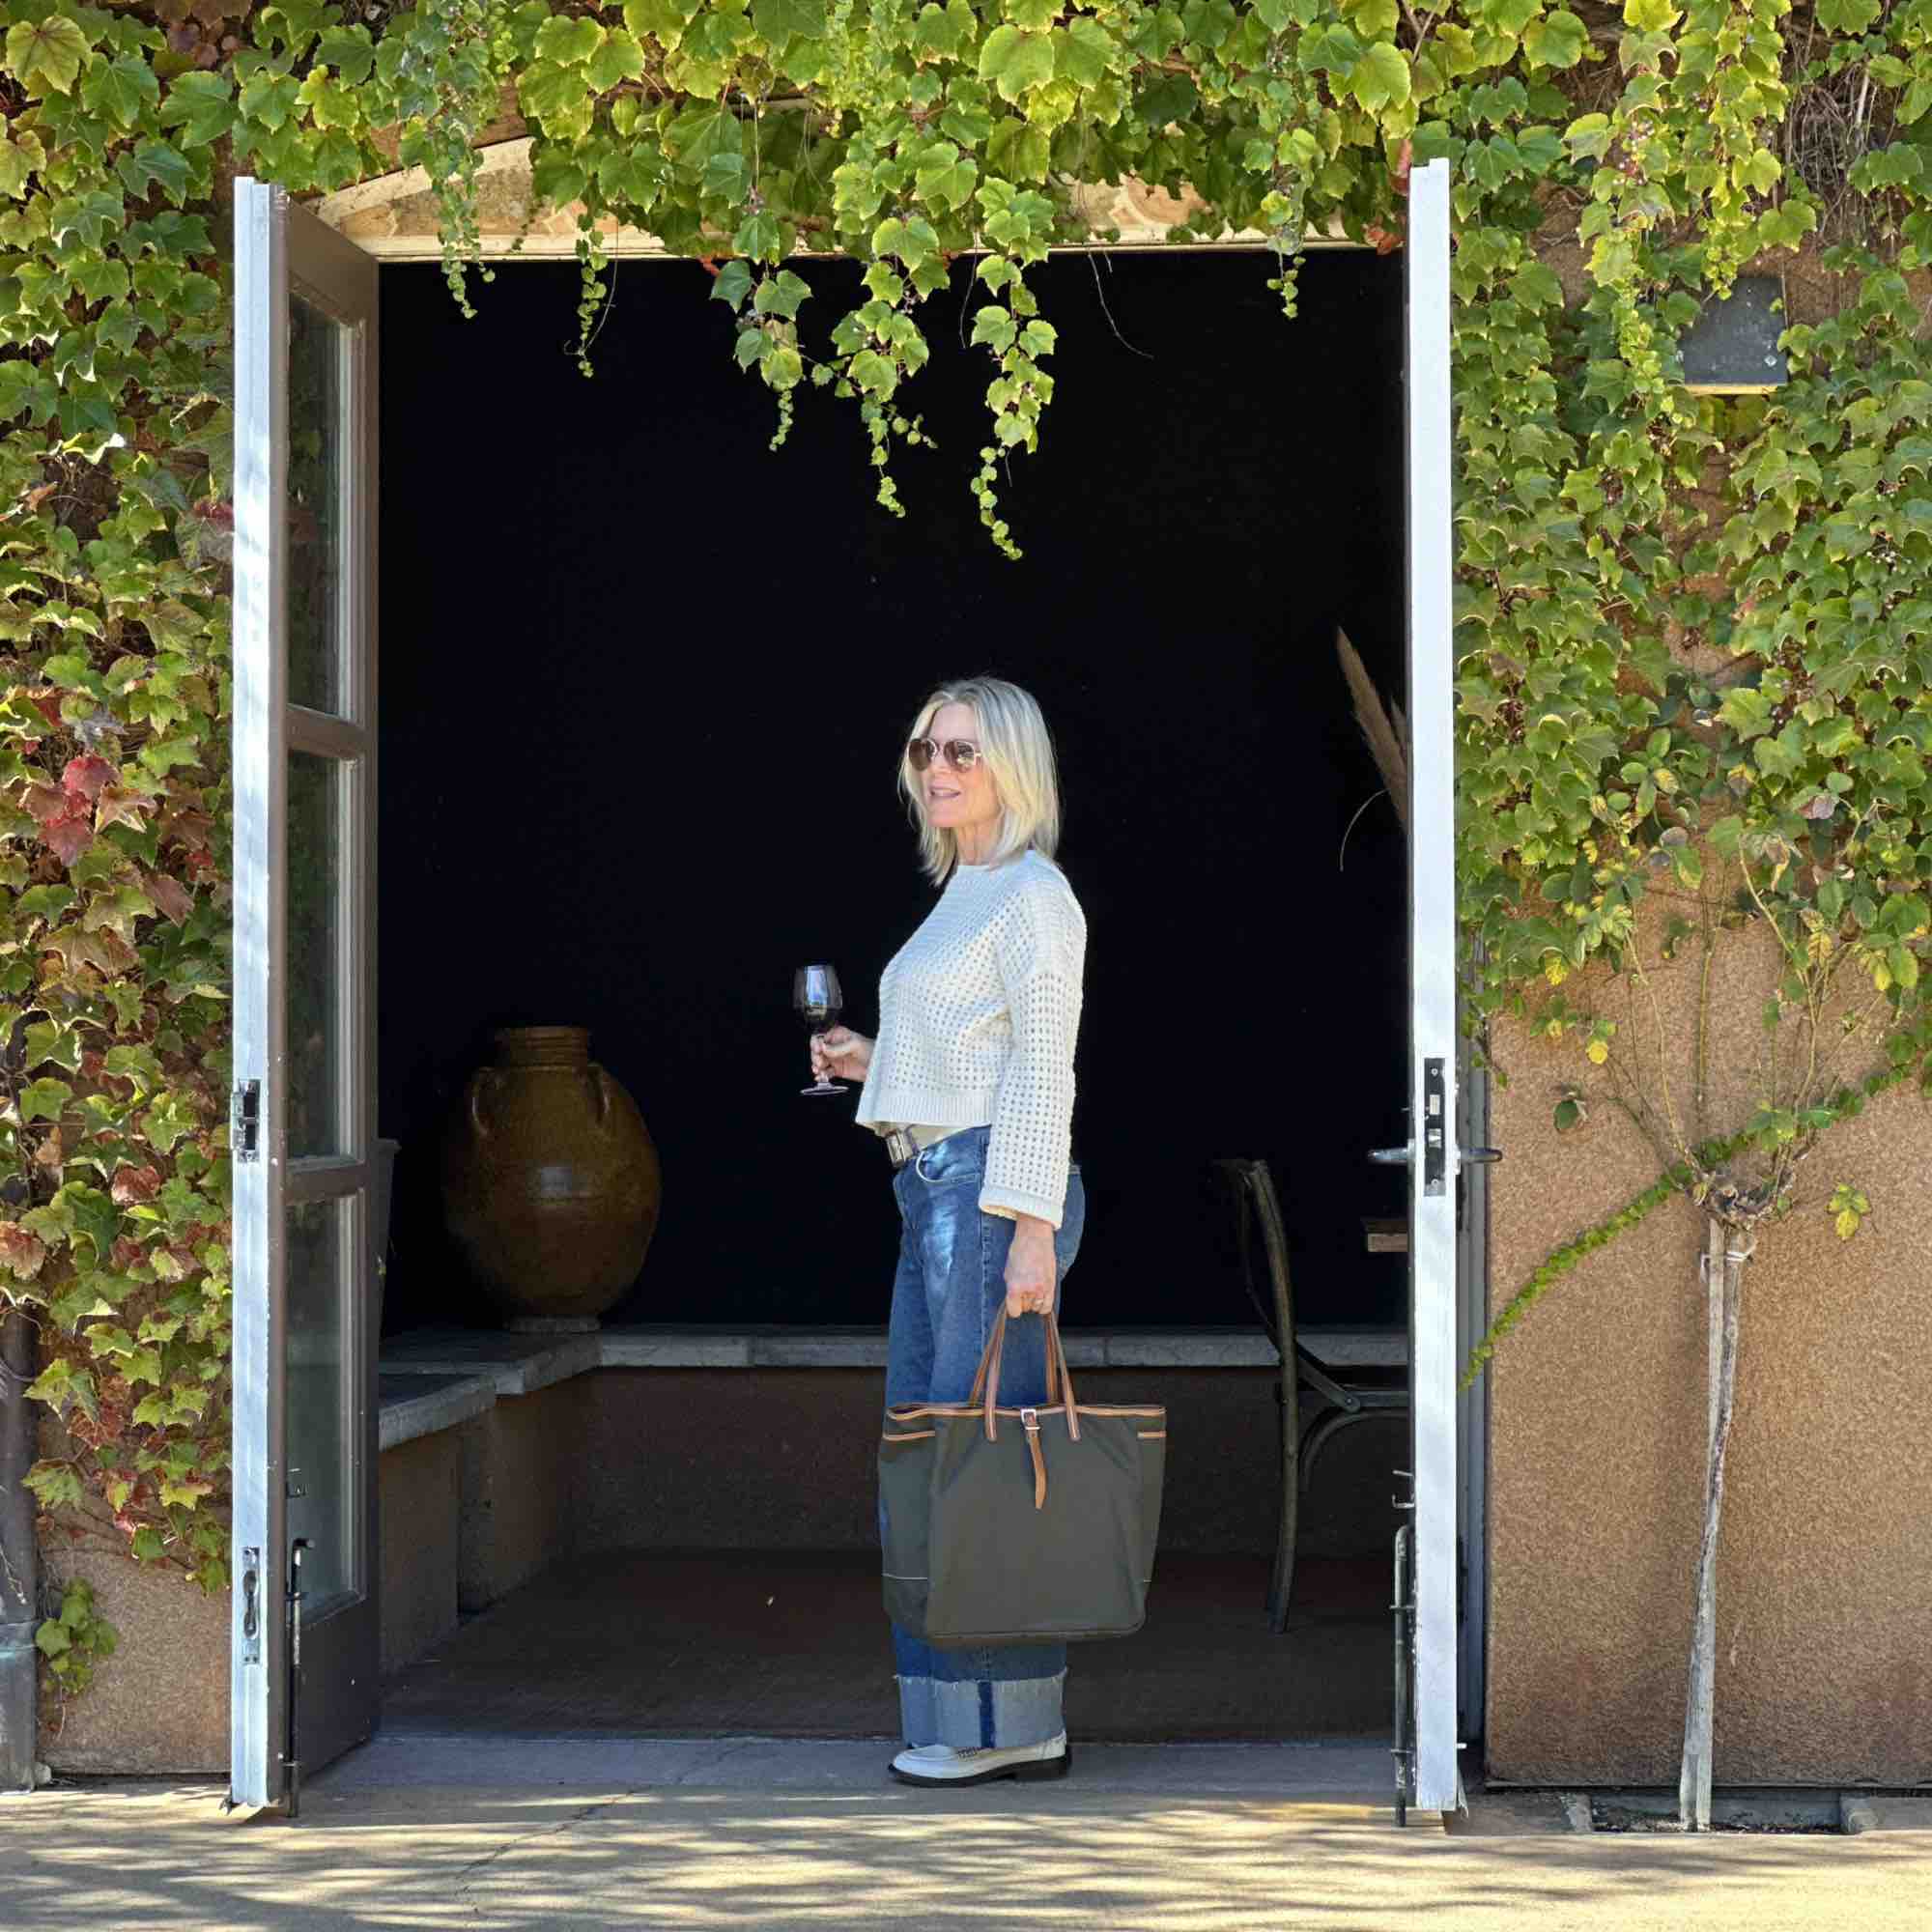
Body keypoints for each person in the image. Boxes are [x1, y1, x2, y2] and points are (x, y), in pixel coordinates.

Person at [811, 675, 1088, 1789]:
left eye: (963, 751)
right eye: (927, 747)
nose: (938, 768)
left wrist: (1028, 1228)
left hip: (985, 1195)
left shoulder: (1033, 893)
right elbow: (969, 1054)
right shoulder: (963, 891)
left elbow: (1037, 1068)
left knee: (978, 1457)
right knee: (928, 1454)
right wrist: (872, 1062)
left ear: (1010, 764)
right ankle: (951, 1715)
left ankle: (1006, 1720)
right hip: (932, 1189)